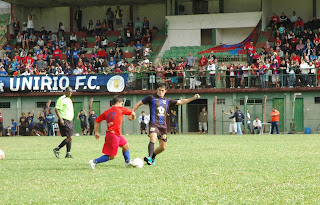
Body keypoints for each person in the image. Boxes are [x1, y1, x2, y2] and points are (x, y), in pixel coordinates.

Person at [132, 83, 200, 165]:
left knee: (163, 147)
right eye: (159, 90)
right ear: (157, 90)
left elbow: (181, 101)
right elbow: (139, 103)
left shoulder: (168, 100)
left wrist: (193, 98)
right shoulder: (151, 98)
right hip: (153, 123)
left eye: (162, 90)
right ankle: (149, 157)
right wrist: (132, 112)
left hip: (163, 126)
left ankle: (153, 156)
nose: (161, 92)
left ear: (165, 91)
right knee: (153, 138)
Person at [88, 95, 136, 169]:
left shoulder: (107, 111)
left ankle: (128, 162)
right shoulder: (120, 109)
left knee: (126, 146)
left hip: (116, 134)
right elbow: (133, 113)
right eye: (121, 104)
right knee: (112, 156)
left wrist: (96, 132)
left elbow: (97, 121)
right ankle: (94, 161)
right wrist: (132, 118)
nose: (122, 105)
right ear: (118, 103)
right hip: (113, 135)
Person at [52, 87, 74, 159]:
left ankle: (68, 153)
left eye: (71, 92)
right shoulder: (61, 99)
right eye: (69, 92)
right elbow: (56, 109)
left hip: (69, 120)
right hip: (64, 120)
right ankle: (57, 149)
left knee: (69, 137)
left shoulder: (69, 100)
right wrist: (61, 119)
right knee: (70, 137)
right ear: (66, 92)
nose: (71, 93)